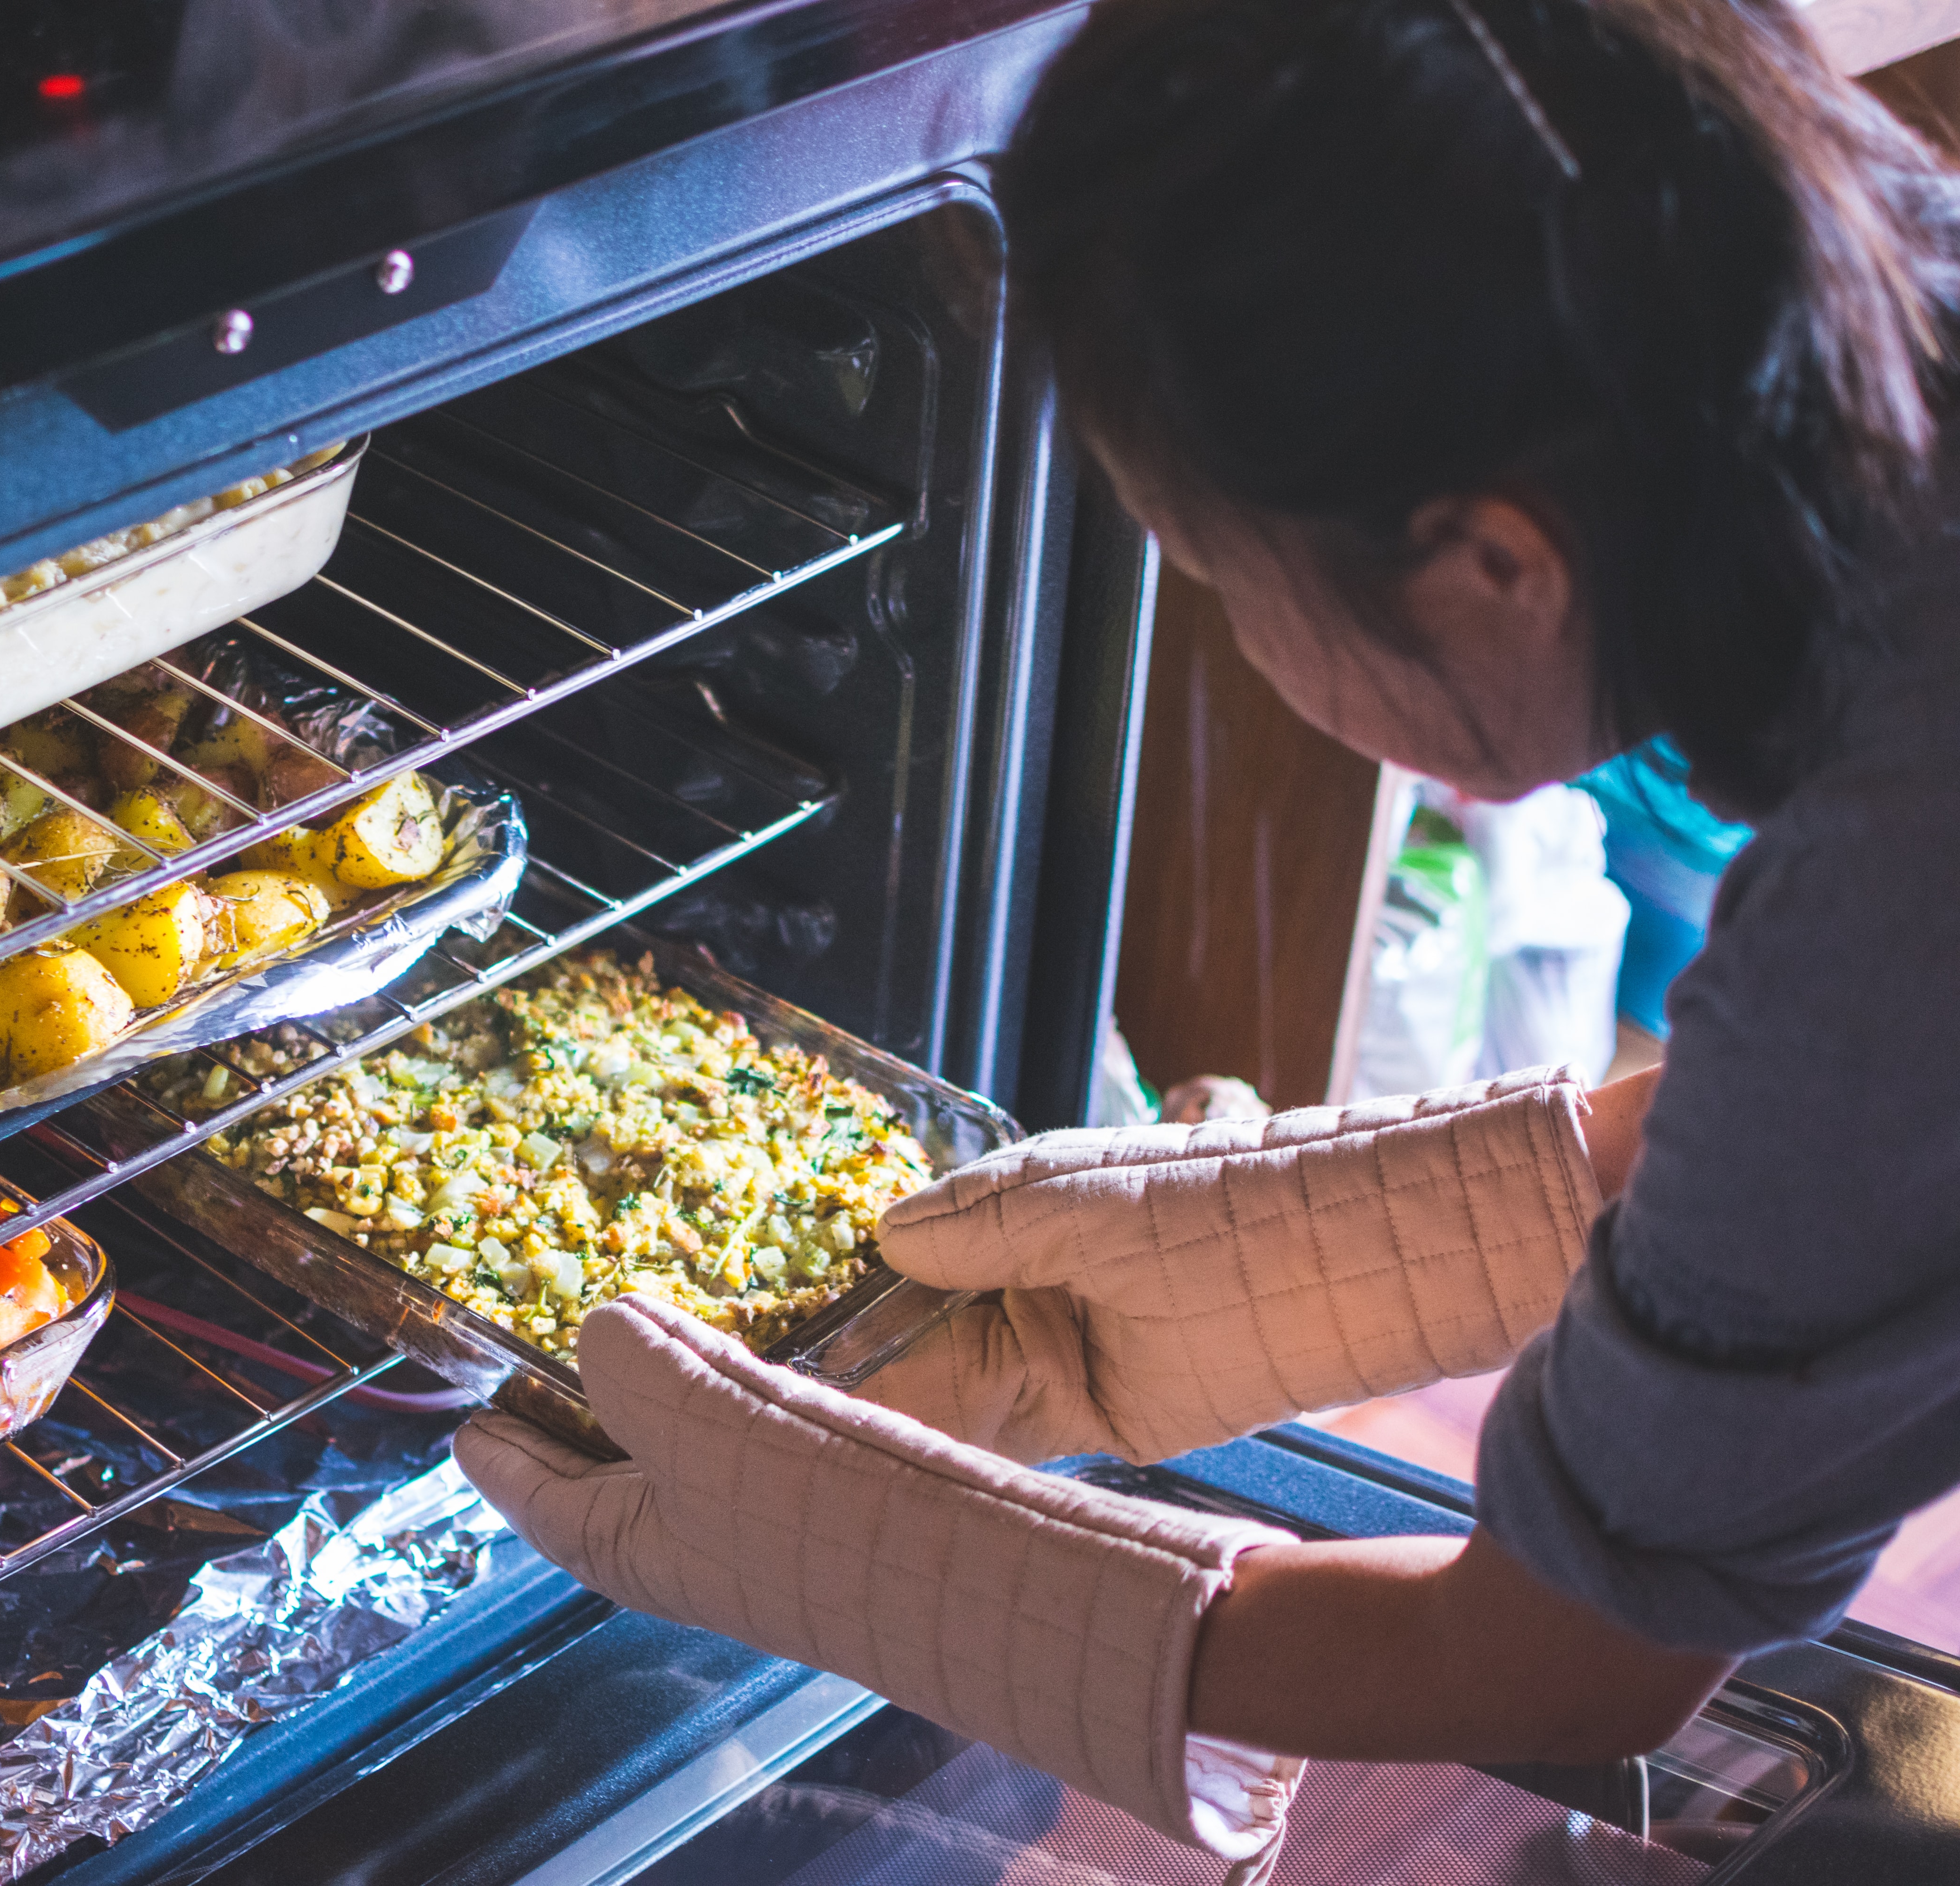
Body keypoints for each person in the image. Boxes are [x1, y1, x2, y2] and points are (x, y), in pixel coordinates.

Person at [453, 0, 1960, 1873]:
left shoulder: (1892, 892)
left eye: (1225, 572)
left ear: (1496, 561)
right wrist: (1333, 1247)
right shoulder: (1870, 291)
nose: (1244, 639)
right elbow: (1866, 1168)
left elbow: (1566, 1669)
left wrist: (908, 1569)